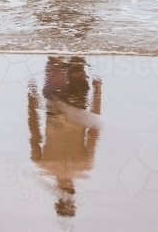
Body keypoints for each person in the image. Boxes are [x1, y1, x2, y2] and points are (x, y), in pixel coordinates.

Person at [27, 57, 102, 218]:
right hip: (55, 106)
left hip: (77, 104)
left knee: (76, 58)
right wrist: (31, 100)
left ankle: (73, 33)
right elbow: (34, 128)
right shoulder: (42, 164)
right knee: (56, 57)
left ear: (73, 193)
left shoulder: (85, 165)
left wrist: (97, 93)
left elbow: (94, 130)